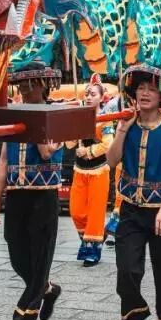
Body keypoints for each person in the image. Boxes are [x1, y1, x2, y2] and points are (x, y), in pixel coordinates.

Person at [108, 65, 161, 320]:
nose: (145, 93)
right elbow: (111, 161)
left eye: (151, 89)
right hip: (130, 210)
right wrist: (121, 130)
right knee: (126, 269)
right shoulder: (126, 124)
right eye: (140, 88)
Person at [0, 63, 63, 320]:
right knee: (16, 251)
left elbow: (46, 153)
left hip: (44, 193)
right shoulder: (13, 115)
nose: (23, 89)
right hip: (17, 194)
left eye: (29, 84)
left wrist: (38, 123)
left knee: (40, 253)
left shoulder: (56, 114)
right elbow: (3, 160)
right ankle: (47, 289)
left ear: (42, 85)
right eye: (21, 84)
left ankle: (26, 315)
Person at [67, 77, 115, 266]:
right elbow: (69, 143)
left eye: (93, 94)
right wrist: (72, 133)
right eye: (87, 94)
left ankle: (92, 251)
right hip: (80, 170)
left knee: (95, 212)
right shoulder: (79, 118)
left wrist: (88, 151)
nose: (88, 97)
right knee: (76, 211)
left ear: (101, 98)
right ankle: (95, 236)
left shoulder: (105, 121)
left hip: (98, 171)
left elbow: (108, 144)